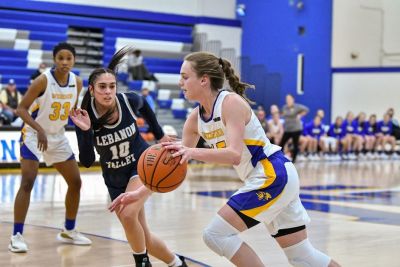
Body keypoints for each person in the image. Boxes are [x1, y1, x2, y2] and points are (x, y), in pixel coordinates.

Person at [109, 52, 340, 267]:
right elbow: (172, 165)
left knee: (215, 234)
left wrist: (192, 151)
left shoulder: (231, 103)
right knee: (303, 256)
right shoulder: (194, 119)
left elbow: (233, 154)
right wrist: (139, 193)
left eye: (185, 76)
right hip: (268, 178)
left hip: (272, 173)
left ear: (204, 80)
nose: (180, 82)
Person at [69, 47, 186, 267]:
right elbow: (85, 161)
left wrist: (159, 135)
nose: (108, 91)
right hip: (114, 178)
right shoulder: (85, 118)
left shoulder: (128, 101)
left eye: (111, 86)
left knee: (127, 213)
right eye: (102, 87)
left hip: (140, 165)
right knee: (144, 237)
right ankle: (177, 263)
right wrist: (85, 131)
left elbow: (147, 109)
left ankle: (142, 263)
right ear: (92, 90)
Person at [9, 42, 91, 253]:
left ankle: (68, 230)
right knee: (27, 182)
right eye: (60, 58)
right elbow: (21, 109)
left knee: (75, 182)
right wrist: (39, 129)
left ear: (74, 60)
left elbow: (71, 111)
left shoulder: (78, 82)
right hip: (34, 134)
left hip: (57, 136)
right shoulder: (42, 80)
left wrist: (81, 121)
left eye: (68, 58)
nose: (64, 62)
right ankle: (16, 236)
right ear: (55, 60)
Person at [280, 94, 309, 162]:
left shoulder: (297, 106)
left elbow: (306, 109)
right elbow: (283, 115)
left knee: (295, 143)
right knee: (282, 143)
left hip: (296, 129)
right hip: (287, 129)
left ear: (293, 100)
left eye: (289, 99)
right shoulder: (284, 107)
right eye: (287, 99)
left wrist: (300, 115)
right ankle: (280, 157)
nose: (288, 100)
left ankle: (294, 159)